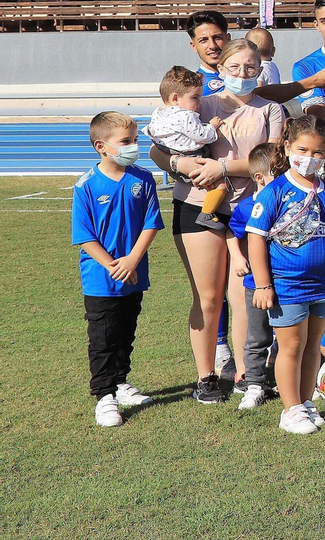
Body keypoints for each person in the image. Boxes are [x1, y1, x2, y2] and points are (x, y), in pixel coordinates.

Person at [152, 38, 285, 404]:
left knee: (242, 296)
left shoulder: (271, 110)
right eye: (235, 67)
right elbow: (157, 148)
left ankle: (245, 374)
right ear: (221, 69)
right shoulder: (199, 102)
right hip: (198, 207)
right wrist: (179, 165)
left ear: (260, 69)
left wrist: (221, 166)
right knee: (208, 298)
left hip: (250, 210)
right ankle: (205, 377)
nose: (243, 74)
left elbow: (271, 161)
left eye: (250, 68)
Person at [245, 115, 325, 436]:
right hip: (286, 287)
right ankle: (290, 409)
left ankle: (305, 403)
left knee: (311, 347)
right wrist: (263, 284)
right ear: (288, 146)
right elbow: (255, 238)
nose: (309, 158)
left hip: (324, 287)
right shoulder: (275, 191)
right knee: (291, 345)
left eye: (318, 153)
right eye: (303, 150)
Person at [72, 111, 163, 428]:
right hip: (101, 279)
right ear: (101, 146)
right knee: (103, 338)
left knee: (126, 332)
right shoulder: (85, 186)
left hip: (133, 275)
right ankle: (104, 396)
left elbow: (151, 223)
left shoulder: (143, 179)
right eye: (126, 142)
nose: (133, 147)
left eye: (135, 140)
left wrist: (132, 260)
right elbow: (85, 237)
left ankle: (121, 382)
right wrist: (114, 265)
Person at [226, 143, 288, 412]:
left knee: (289, 336)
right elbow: (231, 233)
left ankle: (286, 382)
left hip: (289, 282)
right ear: (260, 178)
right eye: (280, 172)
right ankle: (253, 385)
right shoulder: (246, 207)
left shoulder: (293, 200)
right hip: (256, 284)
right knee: (257, 337)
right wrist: (238, 258)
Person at [145, 66, 223, 228]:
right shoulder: (186, 115)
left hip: (170, 156)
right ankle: (207, 214)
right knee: (220, 185)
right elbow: (202, 136)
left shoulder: (159, 112)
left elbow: (151, 132)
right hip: (192, 157)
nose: (199, 103)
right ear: (175, 98)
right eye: (195, 97)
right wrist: (212, 126)